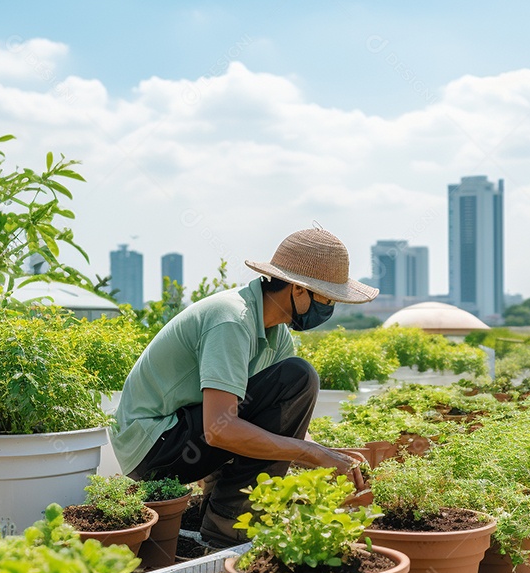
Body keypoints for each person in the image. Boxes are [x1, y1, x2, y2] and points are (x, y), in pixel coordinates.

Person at [110, 226, 378, 546]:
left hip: (180, 438)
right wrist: (309, 454)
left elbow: (282, 422)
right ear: (297, 289)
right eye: (327, 299)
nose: (330, 310)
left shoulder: (277, 336)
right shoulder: (232, 320)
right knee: (300, 376)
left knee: (293, 379)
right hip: (153, 447)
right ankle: (229, 524)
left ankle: (212, 509)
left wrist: (326, 454)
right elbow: (219, 430)